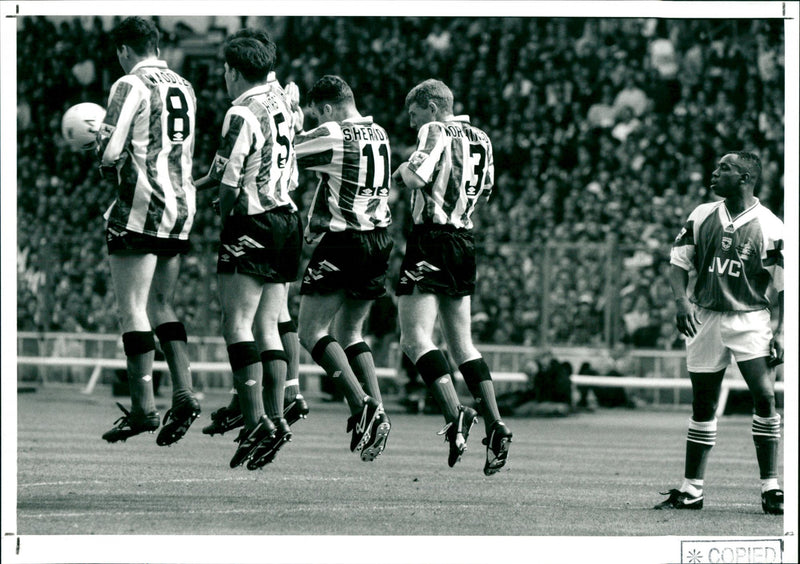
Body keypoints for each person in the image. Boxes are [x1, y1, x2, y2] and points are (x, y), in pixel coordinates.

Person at [391, 79, 512, 475]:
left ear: (430, 106)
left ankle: (455, 411)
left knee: (414, 339)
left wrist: (401, 169)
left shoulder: (435, 130)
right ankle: (495, 425)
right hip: (464, 240)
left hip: (432, 238)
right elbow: (487, 188)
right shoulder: (482, 137)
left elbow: (417, 175)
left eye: (413, 113)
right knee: (463, 345)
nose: (412, 123)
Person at [655, 151, 784, 515]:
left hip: (750, 318)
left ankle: (771, 488)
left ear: (745, 178)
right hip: (704, 316)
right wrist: (681, 301)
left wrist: (783, 332)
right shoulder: (702, 214)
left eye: (724, 168)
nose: (714, 172)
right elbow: (679, 262)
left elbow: (786, 286)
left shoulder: (772, 226)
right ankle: (692, 489)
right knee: (703, 403)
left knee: (764, 397)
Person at [194, 36, 302, 470]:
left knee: (235, 322)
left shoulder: (241, 110)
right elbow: (221, 169)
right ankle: (276, 419)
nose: (223, 76)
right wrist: (200, 183)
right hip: (287, 218)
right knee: (269, 325)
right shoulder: (279, 98)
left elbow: (230, 178)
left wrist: (221, 207)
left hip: (254, 220)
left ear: (234, 71)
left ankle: (256, 419)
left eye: (225, 69)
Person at [98, 16, 201, 446]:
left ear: (124, 50)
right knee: (162, 302)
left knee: (132, 308)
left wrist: (95, 145)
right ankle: (185, 391)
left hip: (141, 206)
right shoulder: (185, 85)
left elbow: (109, 150)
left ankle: (143, 407)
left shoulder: (129, 85)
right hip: (180, 206)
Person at [294, 75, 393, 462]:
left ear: (329, 108)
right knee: (350, 330)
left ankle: (362, 404)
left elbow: (288, 149)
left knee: (310, 331)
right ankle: (379, 411)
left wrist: (289, 112)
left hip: (345, 240)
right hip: (379, 240)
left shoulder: (335, 134)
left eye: (319, 113)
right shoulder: (380, 133)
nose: (318, 120)